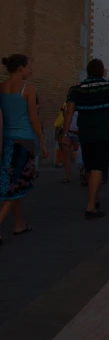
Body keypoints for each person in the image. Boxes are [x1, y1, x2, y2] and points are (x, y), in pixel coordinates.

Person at [62, 59, 109, 219]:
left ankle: (95, 200)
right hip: (104, 133)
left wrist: (65, 132)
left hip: (86, 133)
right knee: (98, 168)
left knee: (90, 167)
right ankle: (90, 206)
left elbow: (69, 111)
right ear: (102, 71)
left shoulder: (78, 88)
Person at [0, 54, 48, 244]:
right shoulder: (28, 88)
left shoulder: (1, 87)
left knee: (12, 183)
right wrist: (43, 143)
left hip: (7, 141)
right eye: (29, 67)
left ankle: (19, 223)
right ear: (20, 68)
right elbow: (33, 119)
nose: (31, 70)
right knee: (18, 183)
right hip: (23, 141)